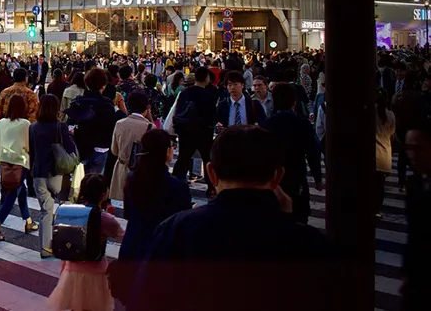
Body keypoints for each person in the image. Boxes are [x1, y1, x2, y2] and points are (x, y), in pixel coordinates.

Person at [129, 125, 333, 311]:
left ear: (211, 173)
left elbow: (145, 298)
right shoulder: (309, 244)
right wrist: (286, 221)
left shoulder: (177, 231)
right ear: (277, 176)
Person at [112, 129, 191, 305]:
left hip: (133, 248)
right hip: (162, 255)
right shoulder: (177, 187)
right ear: (165, 151)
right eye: (171, 146)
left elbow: (128, 213)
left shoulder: (133, 179)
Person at [47, 174, 125, 311]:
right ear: (103, 194)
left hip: (71, 271)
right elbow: (122, 237)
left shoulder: (70, 211)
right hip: (96, 272)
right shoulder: (104, 218)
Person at [262, 83, 323, 224]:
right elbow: (313, 152)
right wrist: (317, 178)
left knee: (276, 216)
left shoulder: (268, 124)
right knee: (299, 215)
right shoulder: (303, 124)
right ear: (294, 102)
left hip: (274, 177)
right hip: (297, 174)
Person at [0, 94, 37, 241]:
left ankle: (28, 221)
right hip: (20, 164)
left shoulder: (2, 123)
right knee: (12, 195)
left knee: (19, 190)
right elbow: (30, 145)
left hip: (5, 164)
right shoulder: (25, 124)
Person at [28, 94, 77, 258]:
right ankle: (66, 242)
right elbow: (69, 148)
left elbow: (32, 153)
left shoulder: (33, 127)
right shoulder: (60, 126)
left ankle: (45, 247)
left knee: (45, 211)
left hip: (39, 172)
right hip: (57, 172)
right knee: (65, 205)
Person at [171, 66, 219, 197]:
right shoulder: (208, 95)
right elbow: (212, 115)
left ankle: (175, 186)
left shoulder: (185, 92)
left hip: (186, 131)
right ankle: (212, 187)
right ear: (207, 78)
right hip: (204, 132)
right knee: (207, 159)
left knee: (183, 158)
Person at [64, 68, 119, 177]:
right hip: (101, 147)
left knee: (79, 179)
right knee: (95, 180)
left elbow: (70, 123)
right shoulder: (107, 104)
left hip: (81, 147)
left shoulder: (78, 101)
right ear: (103, 86)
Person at [402, 120, 431, 310]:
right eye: (409, 148)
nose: (412, 154)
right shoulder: (414, 185)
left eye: (419, 148)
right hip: (417, 277)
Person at [109, 92, 154, 201]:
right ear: (146, 107)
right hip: (142, 173)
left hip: (121, 168)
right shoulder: (150, 127)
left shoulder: (120, 123)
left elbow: (114, 151)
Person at [376, 88, 396, 219]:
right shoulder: (391, 115)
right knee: (379, 186)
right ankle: (377, 210)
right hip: (384, 155)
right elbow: (392, 135)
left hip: (372, 155)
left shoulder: (370, 113)